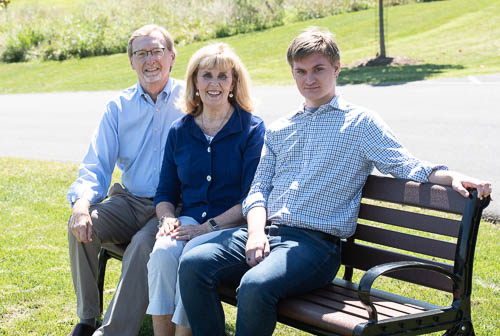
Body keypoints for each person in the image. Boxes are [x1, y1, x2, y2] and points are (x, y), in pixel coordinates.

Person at [177, 27, 493, 336]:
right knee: (193, 263)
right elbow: (258, 192)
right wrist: (255, 234)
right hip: (266, 233)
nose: (309, 79)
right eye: (300, 71)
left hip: (315, 247)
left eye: (318, 69)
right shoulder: (281, 128)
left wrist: (451, 176)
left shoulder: (359, 123)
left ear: (337, 68)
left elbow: (403, 164)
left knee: (256, 285)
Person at [66, 24, 184, 336]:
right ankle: (87, 318)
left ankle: (113, 332)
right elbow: (96, 164)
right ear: (131, 61)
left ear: (171, 57)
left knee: (143, 245)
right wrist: (80, 204)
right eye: (141, 53)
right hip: (130, 201)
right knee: (82, 225)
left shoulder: (191, 100)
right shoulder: (118, 107)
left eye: (157, 51)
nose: (150, 60)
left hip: (174, 206)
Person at [146, 42, 265, 336]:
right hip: (187, 222)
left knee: (192, 256)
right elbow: (165, 193)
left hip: (231, 226)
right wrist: (167, 219)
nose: (214, 83)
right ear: (195, 82)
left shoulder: (251, 129)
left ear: (234, 83)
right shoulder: (180, 130)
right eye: (207, 75)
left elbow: (252, 196)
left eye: (223, 76)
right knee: (162, 253)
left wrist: (207, 227)